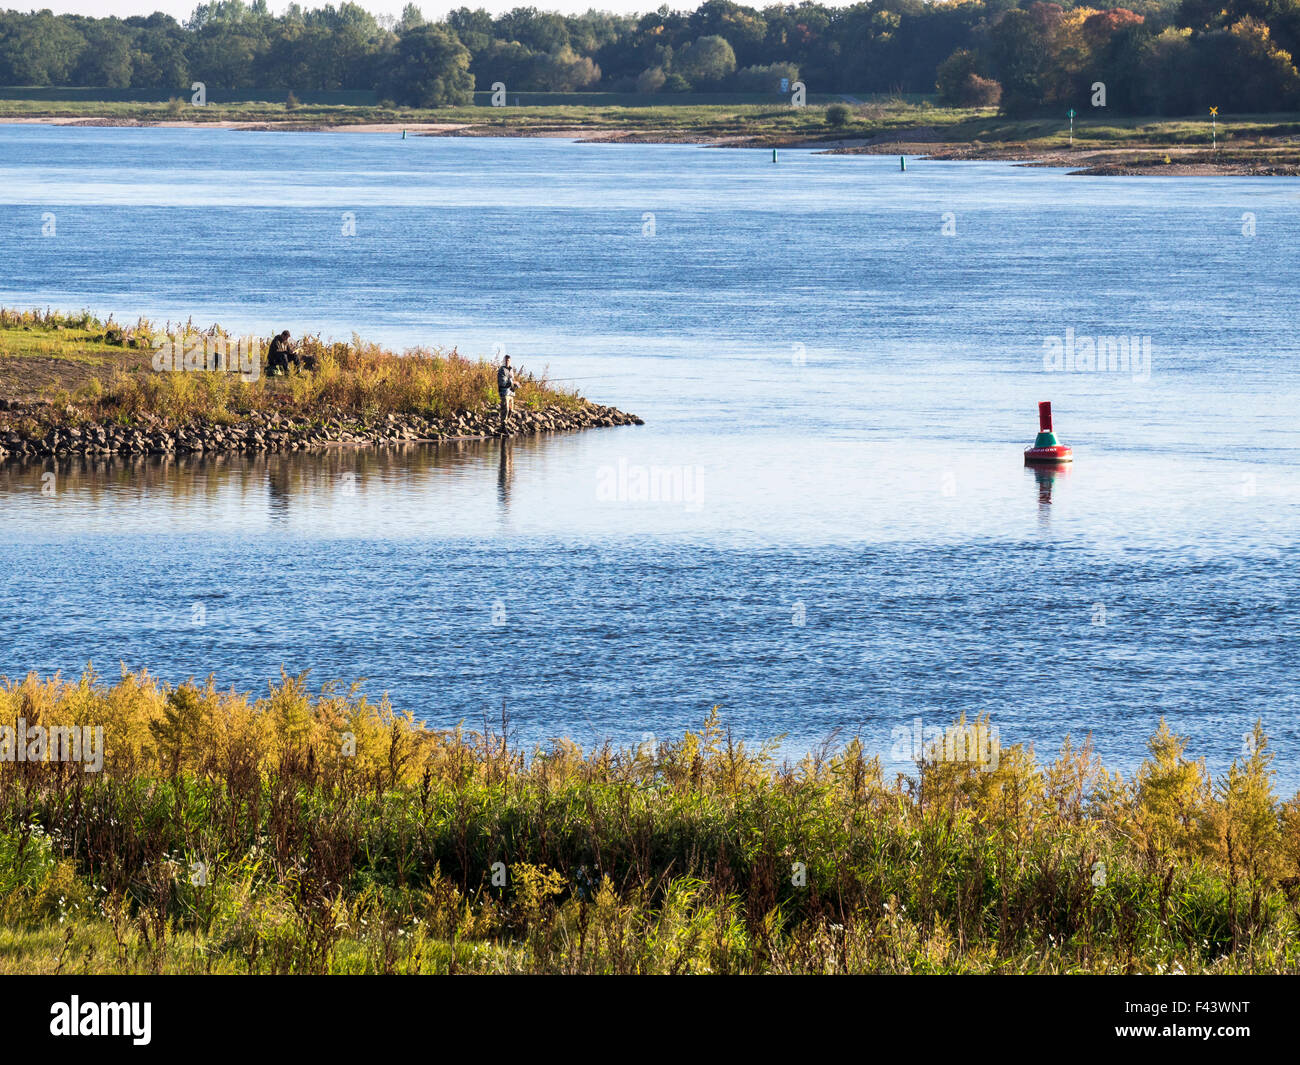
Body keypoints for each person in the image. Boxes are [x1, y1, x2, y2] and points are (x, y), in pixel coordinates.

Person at [497, 354, 517, 434]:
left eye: (508, 360)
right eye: (505, 360)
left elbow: (512, 380)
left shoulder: (511, 369)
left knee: (511, 410)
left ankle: (506, 424)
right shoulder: (501, 370)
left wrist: (516, 384)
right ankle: (503, 426)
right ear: (503, 361)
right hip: (504, 392)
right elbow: (503, 382)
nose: (507, 362)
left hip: (511, 393)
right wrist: (512, 383)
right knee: (505, 409)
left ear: (510, 361)